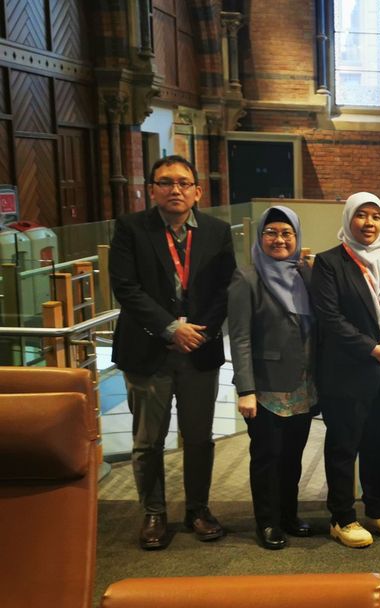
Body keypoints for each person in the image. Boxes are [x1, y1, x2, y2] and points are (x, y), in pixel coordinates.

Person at [109, 154, 236, 550]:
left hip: (198, 350)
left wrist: (198, 333)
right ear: (152, 190)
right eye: (166, 182)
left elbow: (224, 289)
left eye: (183, 182)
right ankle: (154, 513)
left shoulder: (217, 231)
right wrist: (170, 327)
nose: (175, 189)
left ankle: (198, 509)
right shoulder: (130, 228)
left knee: (199, 437)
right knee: (148, 441)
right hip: (147, 351)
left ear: (197, 191)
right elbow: (126, 287)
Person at [311, 192, 380, 548]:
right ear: (348, 218)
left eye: (375, 216)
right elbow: (330, 317)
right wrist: (372, 348)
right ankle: (341, 518)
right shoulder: (329, 262)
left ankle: (378, 511)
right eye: (361, 215)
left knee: (377, 443)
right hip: (346, 371)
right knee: (343, 447)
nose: (369, 223)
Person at [228, 206, 316, 550]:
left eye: (286, 233)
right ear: (260, 237)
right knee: (267, 457)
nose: (279, 240)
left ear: (296, 237)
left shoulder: (305, 274)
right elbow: (240, 337)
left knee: (293, 456)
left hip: (303, 384)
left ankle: (289, 515)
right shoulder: (247, 278)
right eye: (271, 233)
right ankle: (267, 521)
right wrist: (246, 389)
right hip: (265, 387)